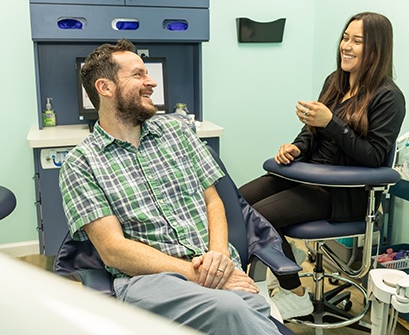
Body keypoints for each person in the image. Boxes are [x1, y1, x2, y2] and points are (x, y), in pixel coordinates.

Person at [59, 39, 283, 334]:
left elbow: (213, 201)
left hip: (214, 263)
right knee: (234, 308)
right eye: (138, 75)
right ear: (105, 88)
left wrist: (218, 258)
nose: (151, 82)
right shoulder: (81, 163)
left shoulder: (178, 131)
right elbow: (113, 250)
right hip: (151, 280)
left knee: (245, 309)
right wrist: (196, 274)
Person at [239, 12, 406, 320]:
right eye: (345, 38)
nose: (347, 46)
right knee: (235, 203)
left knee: (259, 218)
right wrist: (295, 148)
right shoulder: (335, 82)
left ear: (377, 49)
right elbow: (310, 133)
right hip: (307, 177)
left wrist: (332, 123)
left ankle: (296, 293)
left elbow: (373, 156)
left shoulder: (389, 98)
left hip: (344, 193)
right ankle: (280, 258)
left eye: (357, 41)